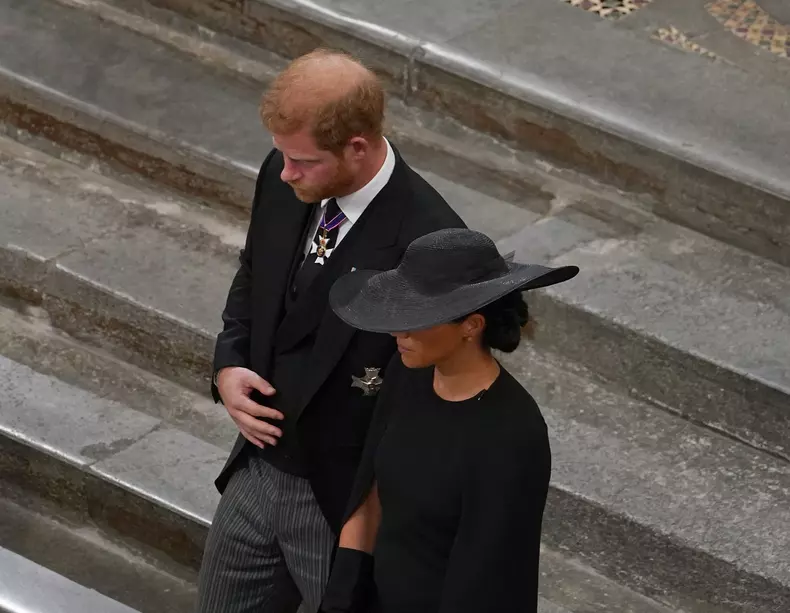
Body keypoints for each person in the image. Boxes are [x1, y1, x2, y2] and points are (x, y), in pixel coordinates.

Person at [196, 50, 464, 613]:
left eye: (303, 161)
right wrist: (229, 362)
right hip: (257, 467)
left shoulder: (429, 240)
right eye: (282, 156)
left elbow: (425, 400)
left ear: (358, 147)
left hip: (340, 501)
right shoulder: (283, 177)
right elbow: (254, 274)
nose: (286, 172)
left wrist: (366, 524)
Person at [320, 228, 579, 613]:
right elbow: (368, 493)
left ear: (471, 326)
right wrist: (340, 601)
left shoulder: (512, 433)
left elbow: (490, 575)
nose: (397, 331)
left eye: (416, 318)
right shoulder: (409, 373)